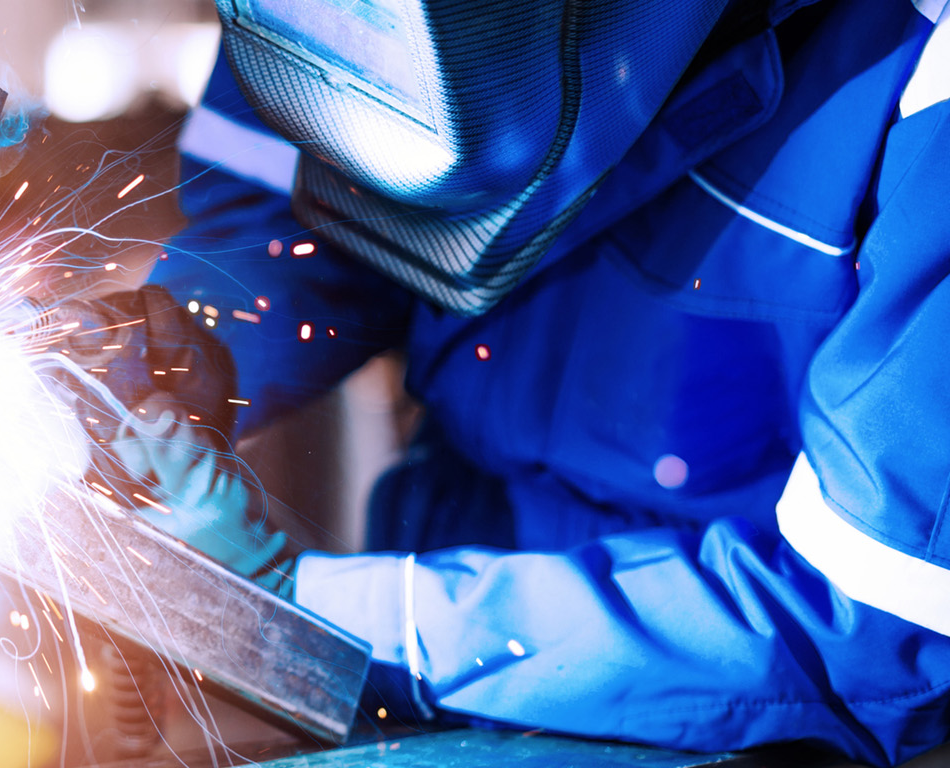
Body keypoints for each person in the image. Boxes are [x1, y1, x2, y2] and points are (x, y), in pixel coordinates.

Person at [101, 0, 950, 762]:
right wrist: (192, 352)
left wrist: (316, 614)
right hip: (432, 578)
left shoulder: (925, 72)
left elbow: (873, 630)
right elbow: (294, 209)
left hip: (725, 704)